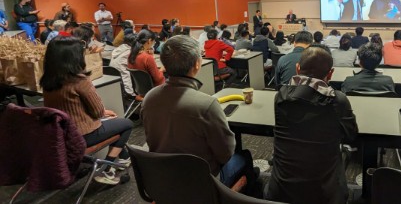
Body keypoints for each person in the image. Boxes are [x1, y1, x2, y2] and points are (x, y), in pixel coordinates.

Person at [141, 35, 258, 189]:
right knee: (244, 156)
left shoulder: (149, 98)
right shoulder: (207, 105)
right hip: (202, 182)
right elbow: (226, 153)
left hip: (164, 177)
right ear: (197, 64)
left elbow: (151, 141)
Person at [266, 46, 358, 204]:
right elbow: (351, 135)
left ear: (297, 68)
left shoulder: (280, 96)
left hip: (280, 192)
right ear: (330, 73)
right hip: (325, 196)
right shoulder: (337, 101)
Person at [41, 36, 133, 185]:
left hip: (60, 135)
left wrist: (103, 112)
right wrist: (102, 112)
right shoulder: (80, 81)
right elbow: (96, 113)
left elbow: (70, 109)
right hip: (84, 135)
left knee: (112, 121)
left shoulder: (47, 80)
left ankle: (124, 158)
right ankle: (108, 169)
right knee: (126, 124)